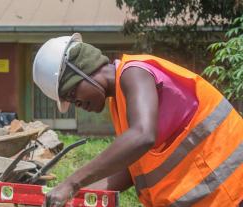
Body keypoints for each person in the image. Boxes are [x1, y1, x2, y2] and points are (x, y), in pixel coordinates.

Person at [32, 33, 243, 207]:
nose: (75, 103)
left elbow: (142, 135)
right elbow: (131, 170)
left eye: (71, 94)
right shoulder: (120, 104)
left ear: (83, 70)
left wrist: (72, 182)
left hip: (233, 191)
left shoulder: (135, 72)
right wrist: (78, 197)